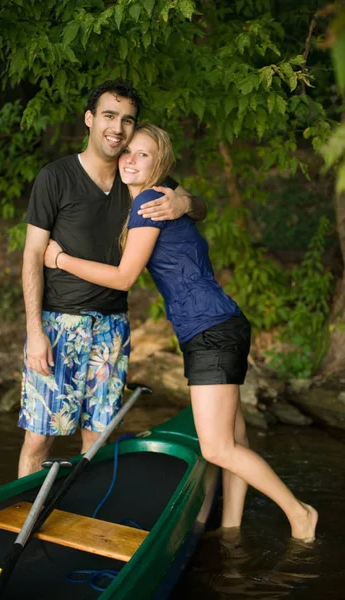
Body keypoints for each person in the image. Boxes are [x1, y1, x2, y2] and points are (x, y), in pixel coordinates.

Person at [44, 123, 318, 542]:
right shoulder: (159, 195)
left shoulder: (150, 202)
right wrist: (187, 199)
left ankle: (299, 514)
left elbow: (123, 277)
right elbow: (196, 205)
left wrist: (59, 259)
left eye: (144, 155)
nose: (131, 160)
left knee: (216, 449)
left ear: (160, 164)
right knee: (237, 437)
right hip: (218, 325)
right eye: (128, 153)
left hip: (210, 330)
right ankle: (230, 528)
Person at [18, 80, 206, 478]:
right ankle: (24, 522)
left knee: (98, 440)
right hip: (58, 325)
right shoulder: (55, 177)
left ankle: (87, 520)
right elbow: (33, 254)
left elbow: (201, 206)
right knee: (38, 439)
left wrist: (185, 201)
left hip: (112, 328)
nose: (117, 128)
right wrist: (35, 331)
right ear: (89, 119)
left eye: (127, 120)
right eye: (109, 116)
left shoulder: (138, 177)